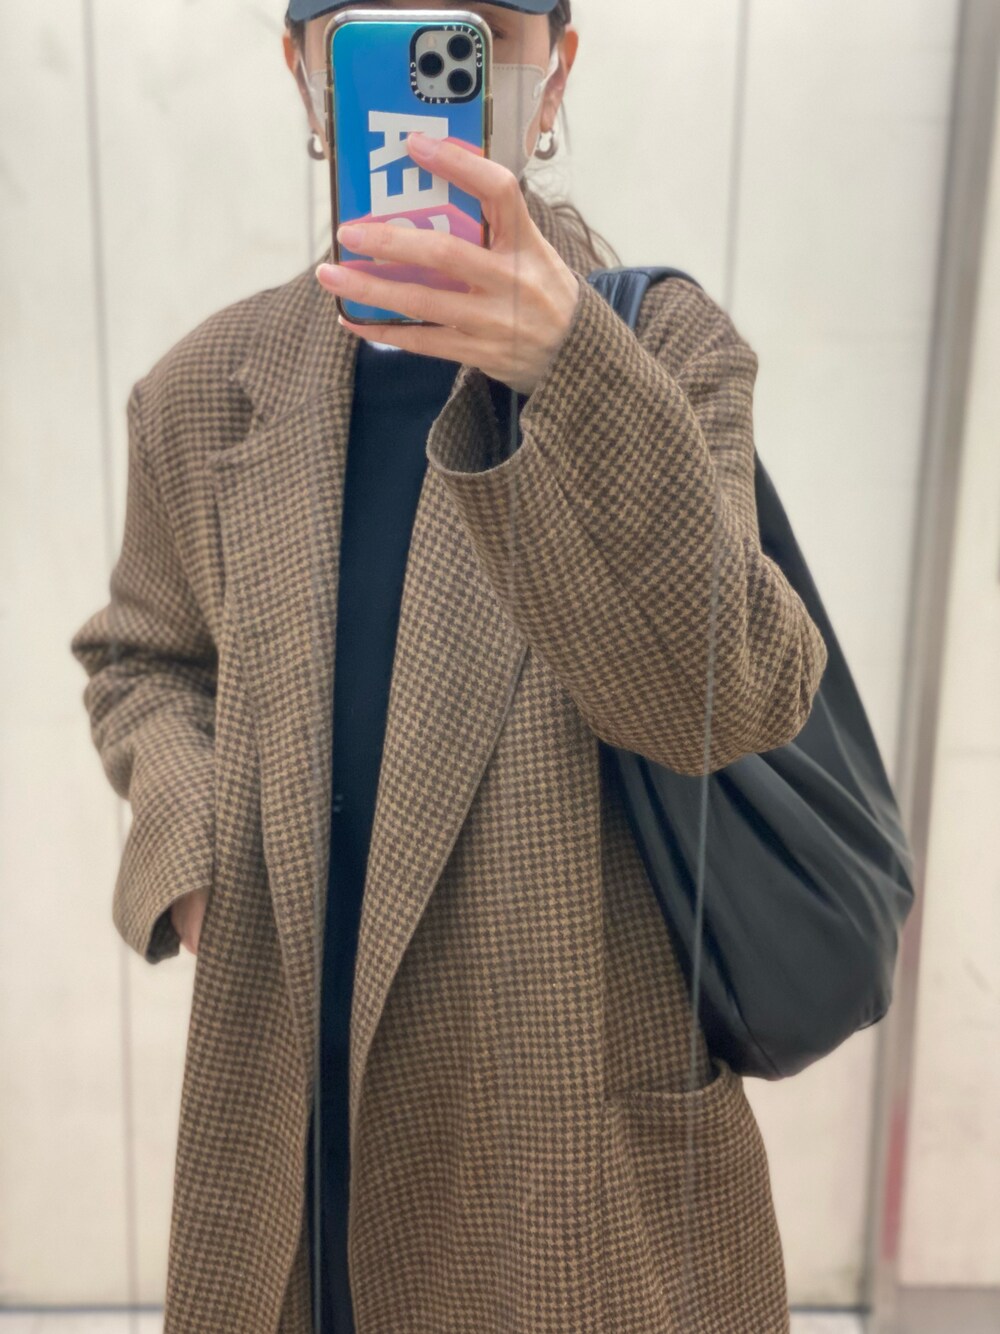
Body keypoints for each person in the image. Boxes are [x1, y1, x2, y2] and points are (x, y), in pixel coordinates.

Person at [69, 1, 829, 1330]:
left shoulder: (662, 352)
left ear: (553, 72)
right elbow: (142, 656)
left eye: (476, 32)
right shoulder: (203, 390)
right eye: (381, 31)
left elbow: (730, 696)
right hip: (292, 1105)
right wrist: (200, 873)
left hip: (557, 1125)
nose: (433, 81)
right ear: (308, 76)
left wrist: (566, 368)